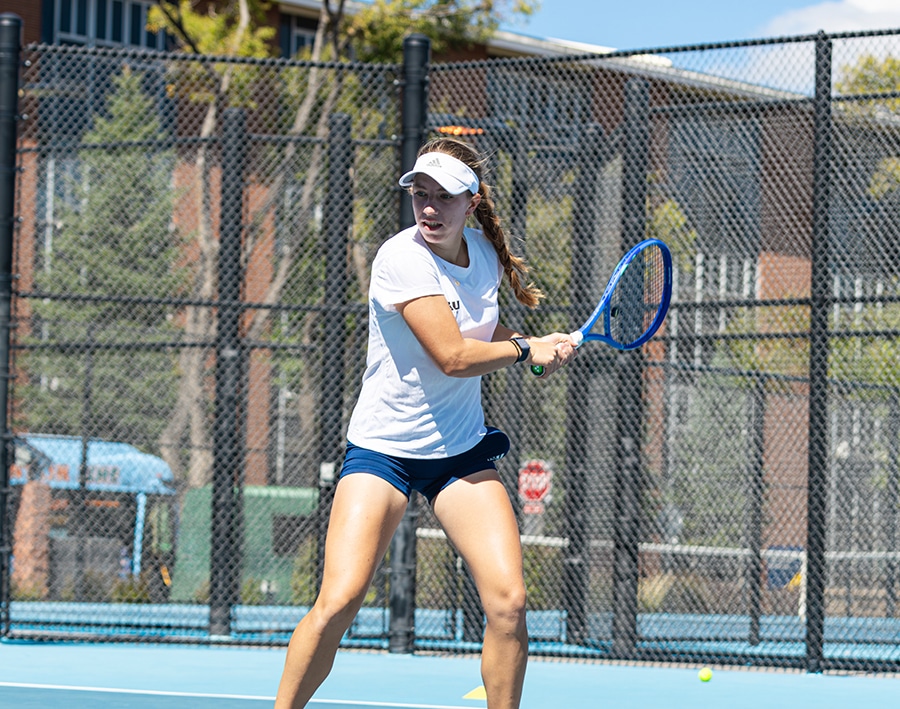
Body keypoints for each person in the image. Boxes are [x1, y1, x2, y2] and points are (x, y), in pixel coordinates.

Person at [274, 137, 577, 709]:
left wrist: (534, 353)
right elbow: (453, 356)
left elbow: (485, 348)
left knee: (509, 603)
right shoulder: (400, 257)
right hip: (383, 450)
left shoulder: (485, 253)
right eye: (421, 194)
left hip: (459, 453)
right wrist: (525, 349)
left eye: (444, 196)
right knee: (338, 601)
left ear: (472, 202)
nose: (430, 208)